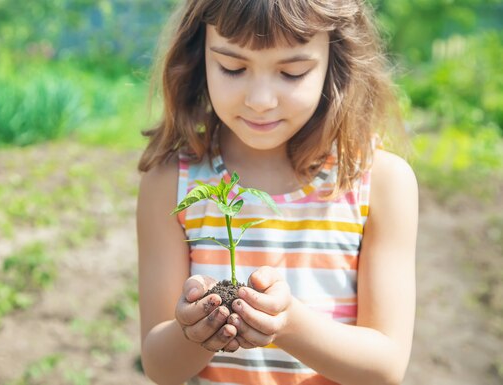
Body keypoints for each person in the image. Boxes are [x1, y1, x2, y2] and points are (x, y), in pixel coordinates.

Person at [136, 1, 418, 384]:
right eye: (233, 68)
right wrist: (197, 331)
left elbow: (385, 368)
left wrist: (289, 324)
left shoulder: (379, 182)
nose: (261, 100)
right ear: (198, 53)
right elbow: (159, 367)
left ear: (335, 58)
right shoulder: (171, 183)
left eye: (292, 72)